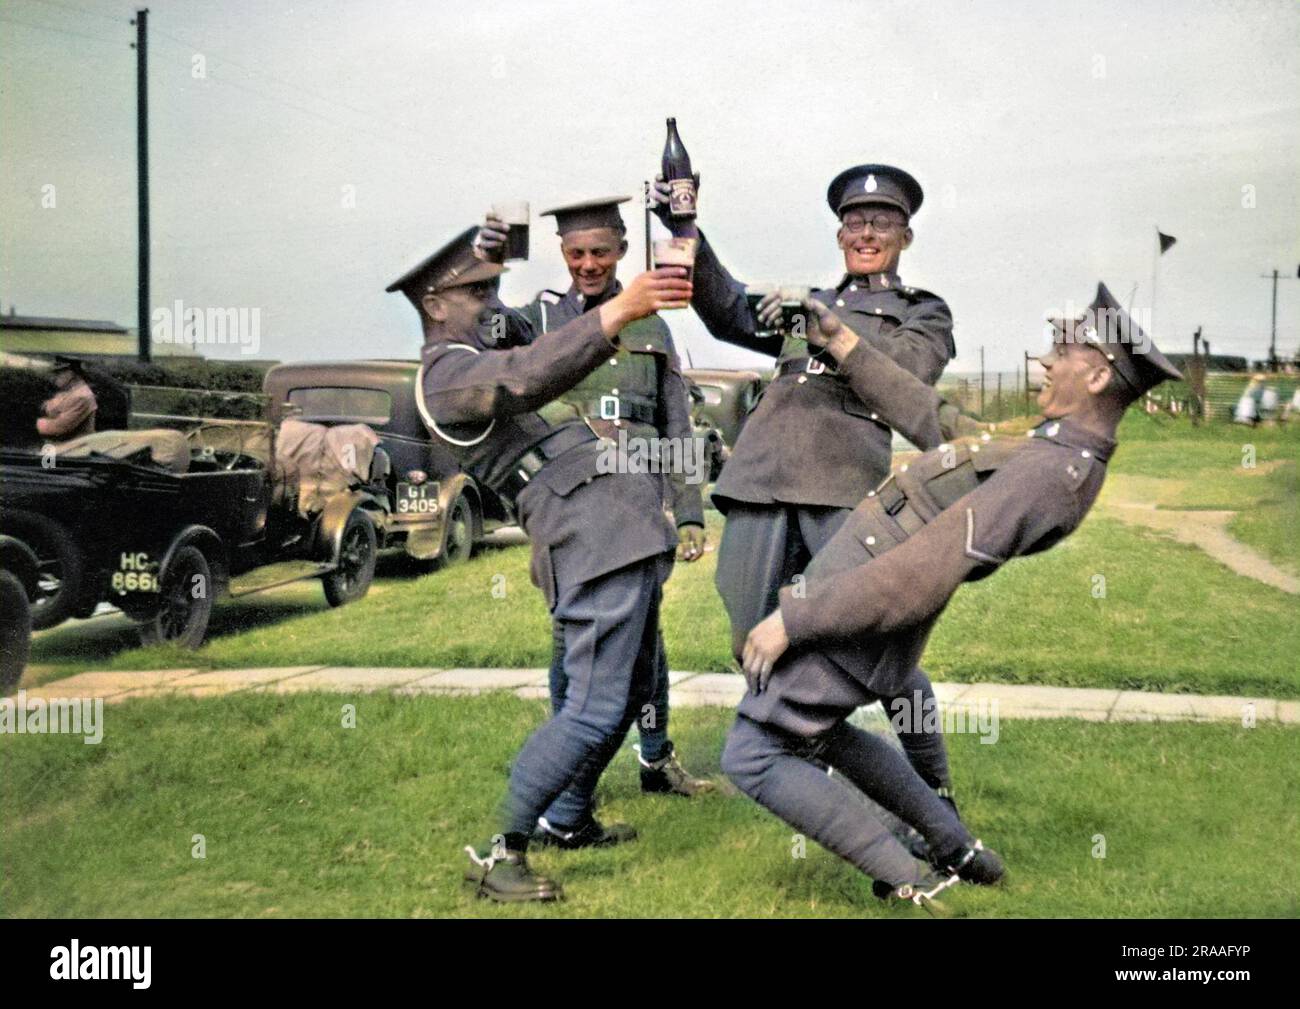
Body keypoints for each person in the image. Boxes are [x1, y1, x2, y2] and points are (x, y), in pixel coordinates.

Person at [720, 282, 1183, 909]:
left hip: (865, 609)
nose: (1046, 360)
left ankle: (913, 881)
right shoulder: (1051, 445)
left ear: (1097, 376)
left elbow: (923, 570)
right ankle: (958, 850)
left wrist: (794, 620)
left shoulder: (1053, 472)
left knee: (753, 752)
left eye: (1061, 351)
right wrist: (845, 343)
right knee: (816, 731)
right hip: (862, 601)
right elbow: (941, 423)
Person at [389, 226, 693, 902]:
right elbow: (527, 370)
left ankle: (571, 819)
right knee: (591, 708)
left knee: (628, 691)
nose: (494, 303)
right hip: (591, 534)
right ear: (434, 305)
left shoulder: (480, 342)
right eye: (475, 291)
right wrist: (620, 309)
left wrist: (503, 242)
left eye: (494, 285)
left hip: (617, 525)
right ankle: (500, 851)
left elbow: (526, 335)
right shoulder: (443, 377)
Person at [650, 164, 962, 815]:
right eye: (854, 221)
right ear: (840, 232)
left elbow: (908, 382)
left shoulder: (921, 313)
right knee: (752, 639)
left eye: (880, 222)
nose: (865, 232)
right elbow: (726, 307)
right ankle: (814, 761)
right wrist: (685, 228)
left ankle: (932, 786)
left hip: (841, 492)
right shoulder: (809, 301)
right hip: (760, 484)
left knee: (877, 646)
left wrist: (836, 334)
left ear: (904, 235)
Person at [476, 197, 712, 813]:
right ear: (561, 254)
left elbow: (677, 423)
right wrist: (488, 263)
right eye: (576, 253)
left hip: (636, 501)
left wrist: (688, 512)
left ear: (622, 253)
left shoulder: (652, 324)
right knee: (570, 636)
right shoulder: (540, 320)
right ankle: (566, 764)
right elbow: (485, 329)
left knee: (646, 639)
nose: (588, 264)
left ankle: (655, 757)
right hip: (570, 504)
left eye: (600, 252)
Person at [37, 356, 97, 442]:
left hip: (75, 450)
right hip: (64, 447)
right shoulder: (69, 391)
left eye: (58, 373)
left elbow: (59, 427)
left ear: (71, 373)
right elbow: (47, 406)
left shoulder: (81, 396)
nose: (53, 377)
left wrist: (31, 424)